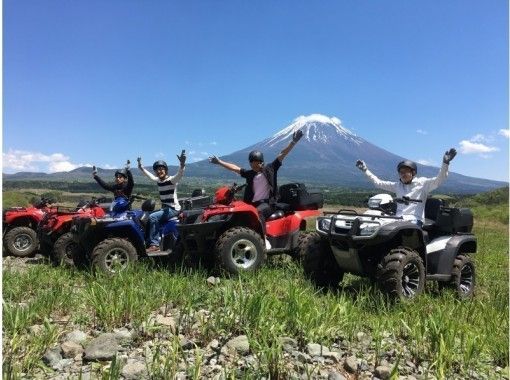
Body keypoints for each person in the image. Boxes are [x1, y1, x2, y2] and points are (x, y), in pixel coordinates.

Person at [209, 130, 304, 248]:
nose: (254, 166)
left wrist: (293, 142)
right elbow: (235, 168)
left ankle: (263, 240)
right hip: (252, 203)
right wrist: (219, 162)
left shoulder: (270, 168)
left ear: (261, 162)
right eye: (252, 164)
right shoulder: (250, 174)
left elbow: (282, 154)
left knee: (258, 213)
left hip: (268, 203)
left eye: (256, 163)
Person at [355, 148, 457, 226]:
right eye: (401, 172)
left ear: (413, 173)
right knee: (373, 221)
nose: (403, 174)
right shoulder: (397, 186)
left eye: (406, 172)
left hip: (415, 220)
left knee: (398, 227)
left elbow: (439, 179)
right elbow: (378, 183)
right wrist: (365, 170)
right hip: (398, 219)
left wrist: (445, 163)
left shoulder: (423, 184)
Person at [138, 151, 186, 252]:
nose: (159, 171)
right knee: (144, 216)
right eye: (157, 170)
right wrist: (141, 167)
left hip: (173, 209)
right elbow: (149, 176)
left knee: (153, 217)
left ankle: (154, 245)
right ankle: (146, 241)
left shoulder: (172, 180)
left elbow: (180, 174)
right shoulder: (158, 180)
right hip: (165, 208)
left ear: (166, 170)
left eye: (161, 169)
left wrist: (182, 164)